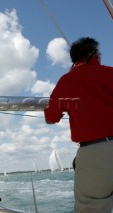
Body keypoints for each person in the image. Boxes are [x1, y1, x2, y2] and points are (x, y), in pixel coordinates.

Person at [44, 37, 113, 212]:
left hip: (96, 154)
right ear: (94, 55)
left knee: (91, 206)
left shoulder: (67, 81)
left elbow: (51, 118)